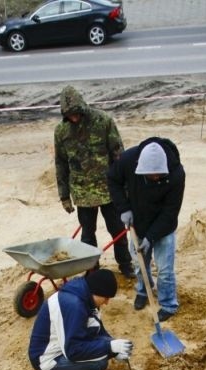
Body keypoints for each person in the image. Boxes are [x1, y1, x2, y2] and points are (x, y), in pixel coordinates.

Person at [54, 85, 135, 279]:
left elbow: (118, 155)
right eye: (70, 115)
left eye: (76, 114)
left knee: (117, 229)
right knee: (87, 235)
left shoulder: (103, 121)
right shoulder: (61, 131)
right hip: (82, 193)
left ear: (82, 108)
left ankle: (125, 264)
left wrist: (126, 188)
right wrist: (64, 196)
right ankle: (92, 268)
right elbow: (61, 164)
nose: (74, 118)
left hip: (108, 189)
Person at [108, 137, 185, 321]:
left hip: (163, 226)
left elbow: (170, 212)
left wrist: (151, 237)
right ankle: (143, 291)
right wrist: (123, 208)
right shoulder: (128, 160)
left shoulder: (176, 174)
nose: (155, 178)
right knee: (139, 263)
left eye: (159, 175)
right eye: (151, 175)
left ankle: (168, 304)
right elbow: (113, 179)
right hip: (138, 222)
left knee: (165, 270)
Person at [28, 268, 133, 370]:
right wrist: (109, 347)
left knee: (101, 352)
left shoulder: (84, 295)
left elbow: (97, 329)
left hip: (61, 348)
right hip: (46, 360)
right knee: (99, 363)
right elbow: (73, 350)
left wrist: (114, 349)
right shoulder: (75, 306)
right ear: (96, 292)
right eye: (106, 297)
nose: (107, 302)